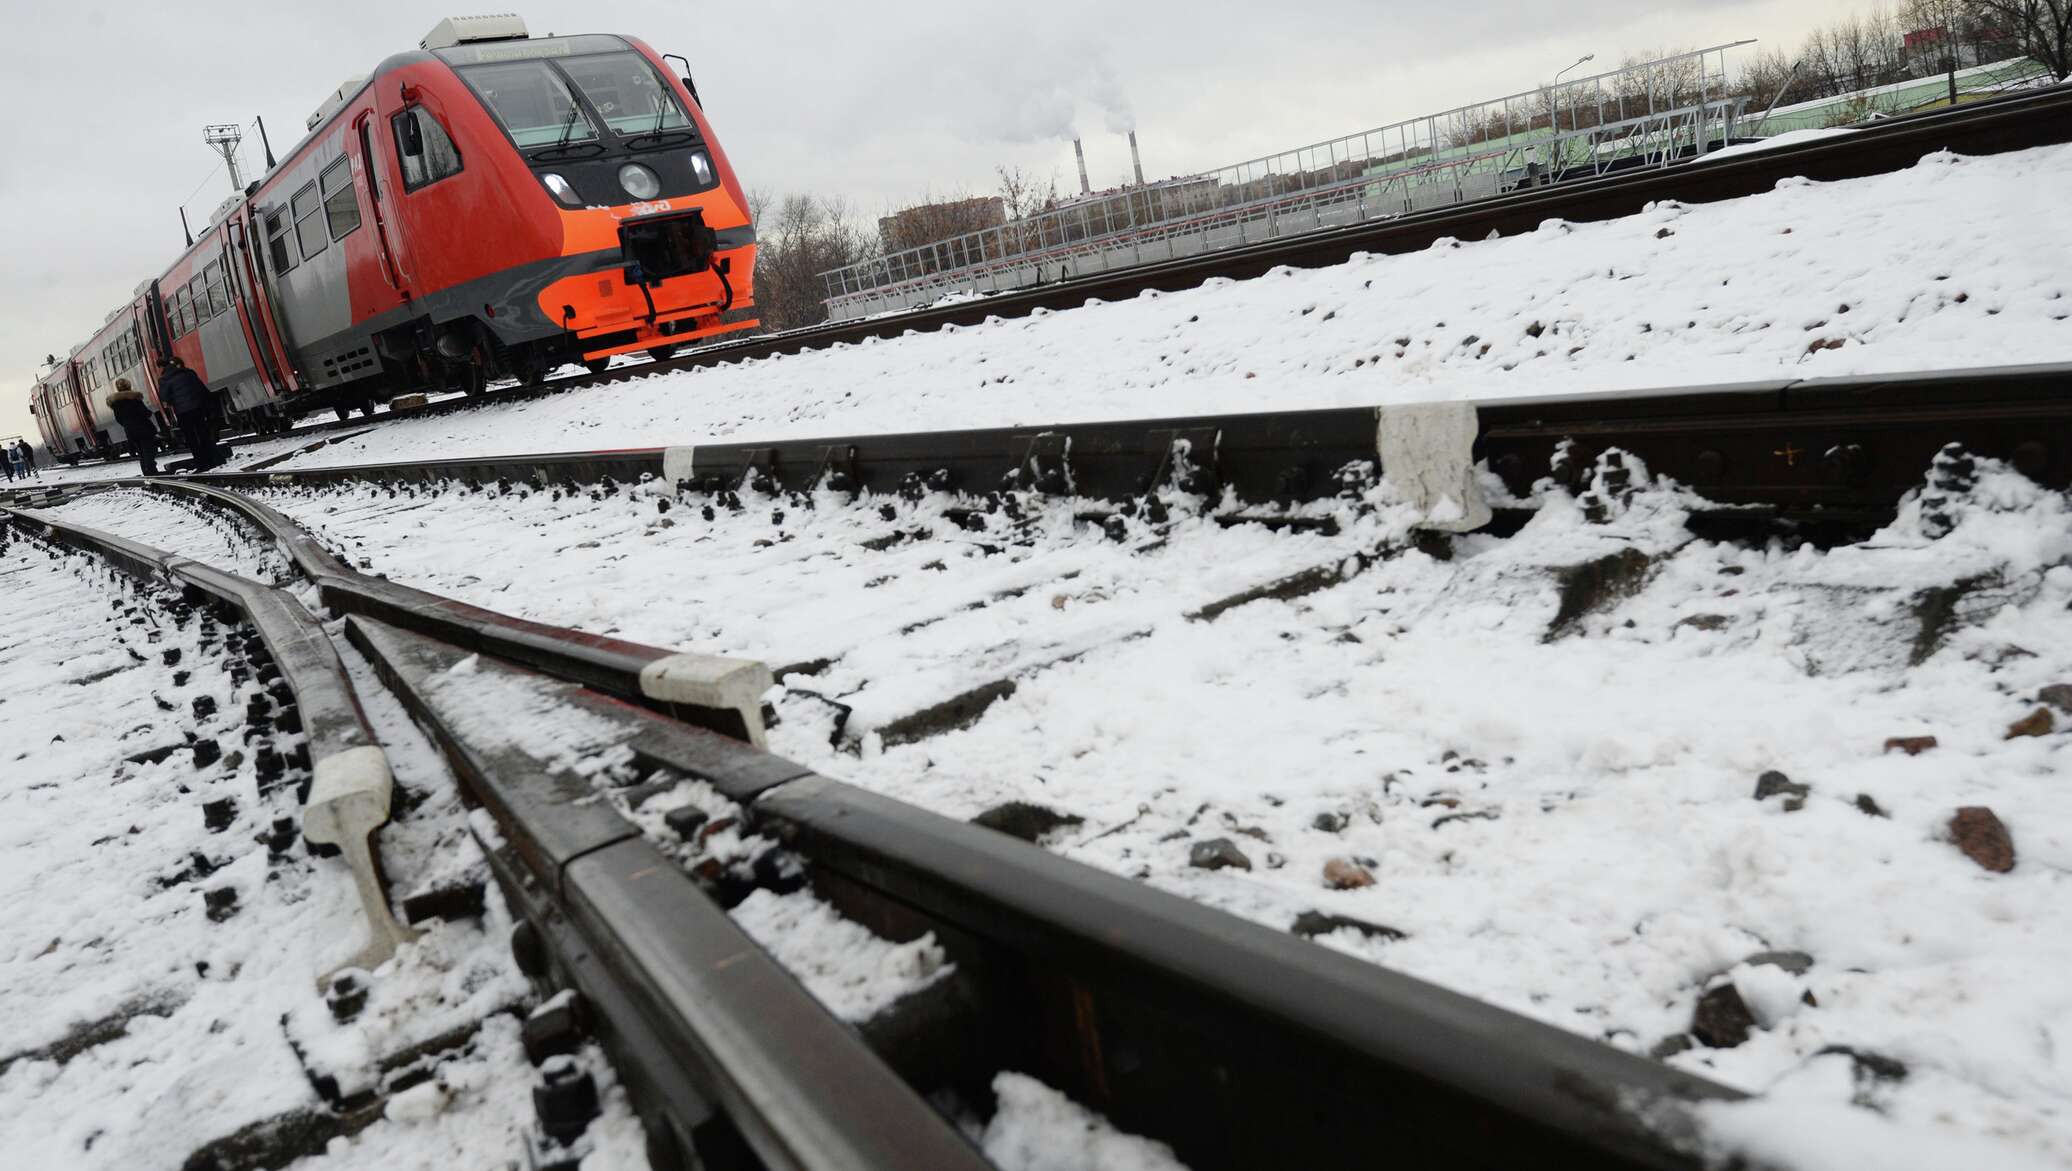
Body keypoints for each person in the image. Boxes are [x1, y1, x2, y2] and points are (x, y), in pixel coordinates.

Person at [157, 357, 220, 470]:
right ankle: (213, 459)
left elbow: (165, 397)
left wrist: (172, 401)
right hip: (197, 408)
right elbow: (201, 388)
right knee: (203, 433)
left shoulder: (164, 380)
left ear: (162, 367)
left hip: (182, 412)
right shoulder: (188, 373)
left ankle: (201, 463)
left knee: (191, 438)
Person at [106, 377, 160, 476]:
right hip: (144, 429)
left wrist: (128, 424)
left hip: (130, 431)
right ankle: (152, 470)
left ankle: (146, 472)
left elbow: (119, 419)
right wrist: (149, 413)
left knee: (141, 453)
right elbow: (144, 413)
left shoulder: (116, 404)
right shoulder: (135, 399)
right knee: (149, 450)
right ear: (129, 386)